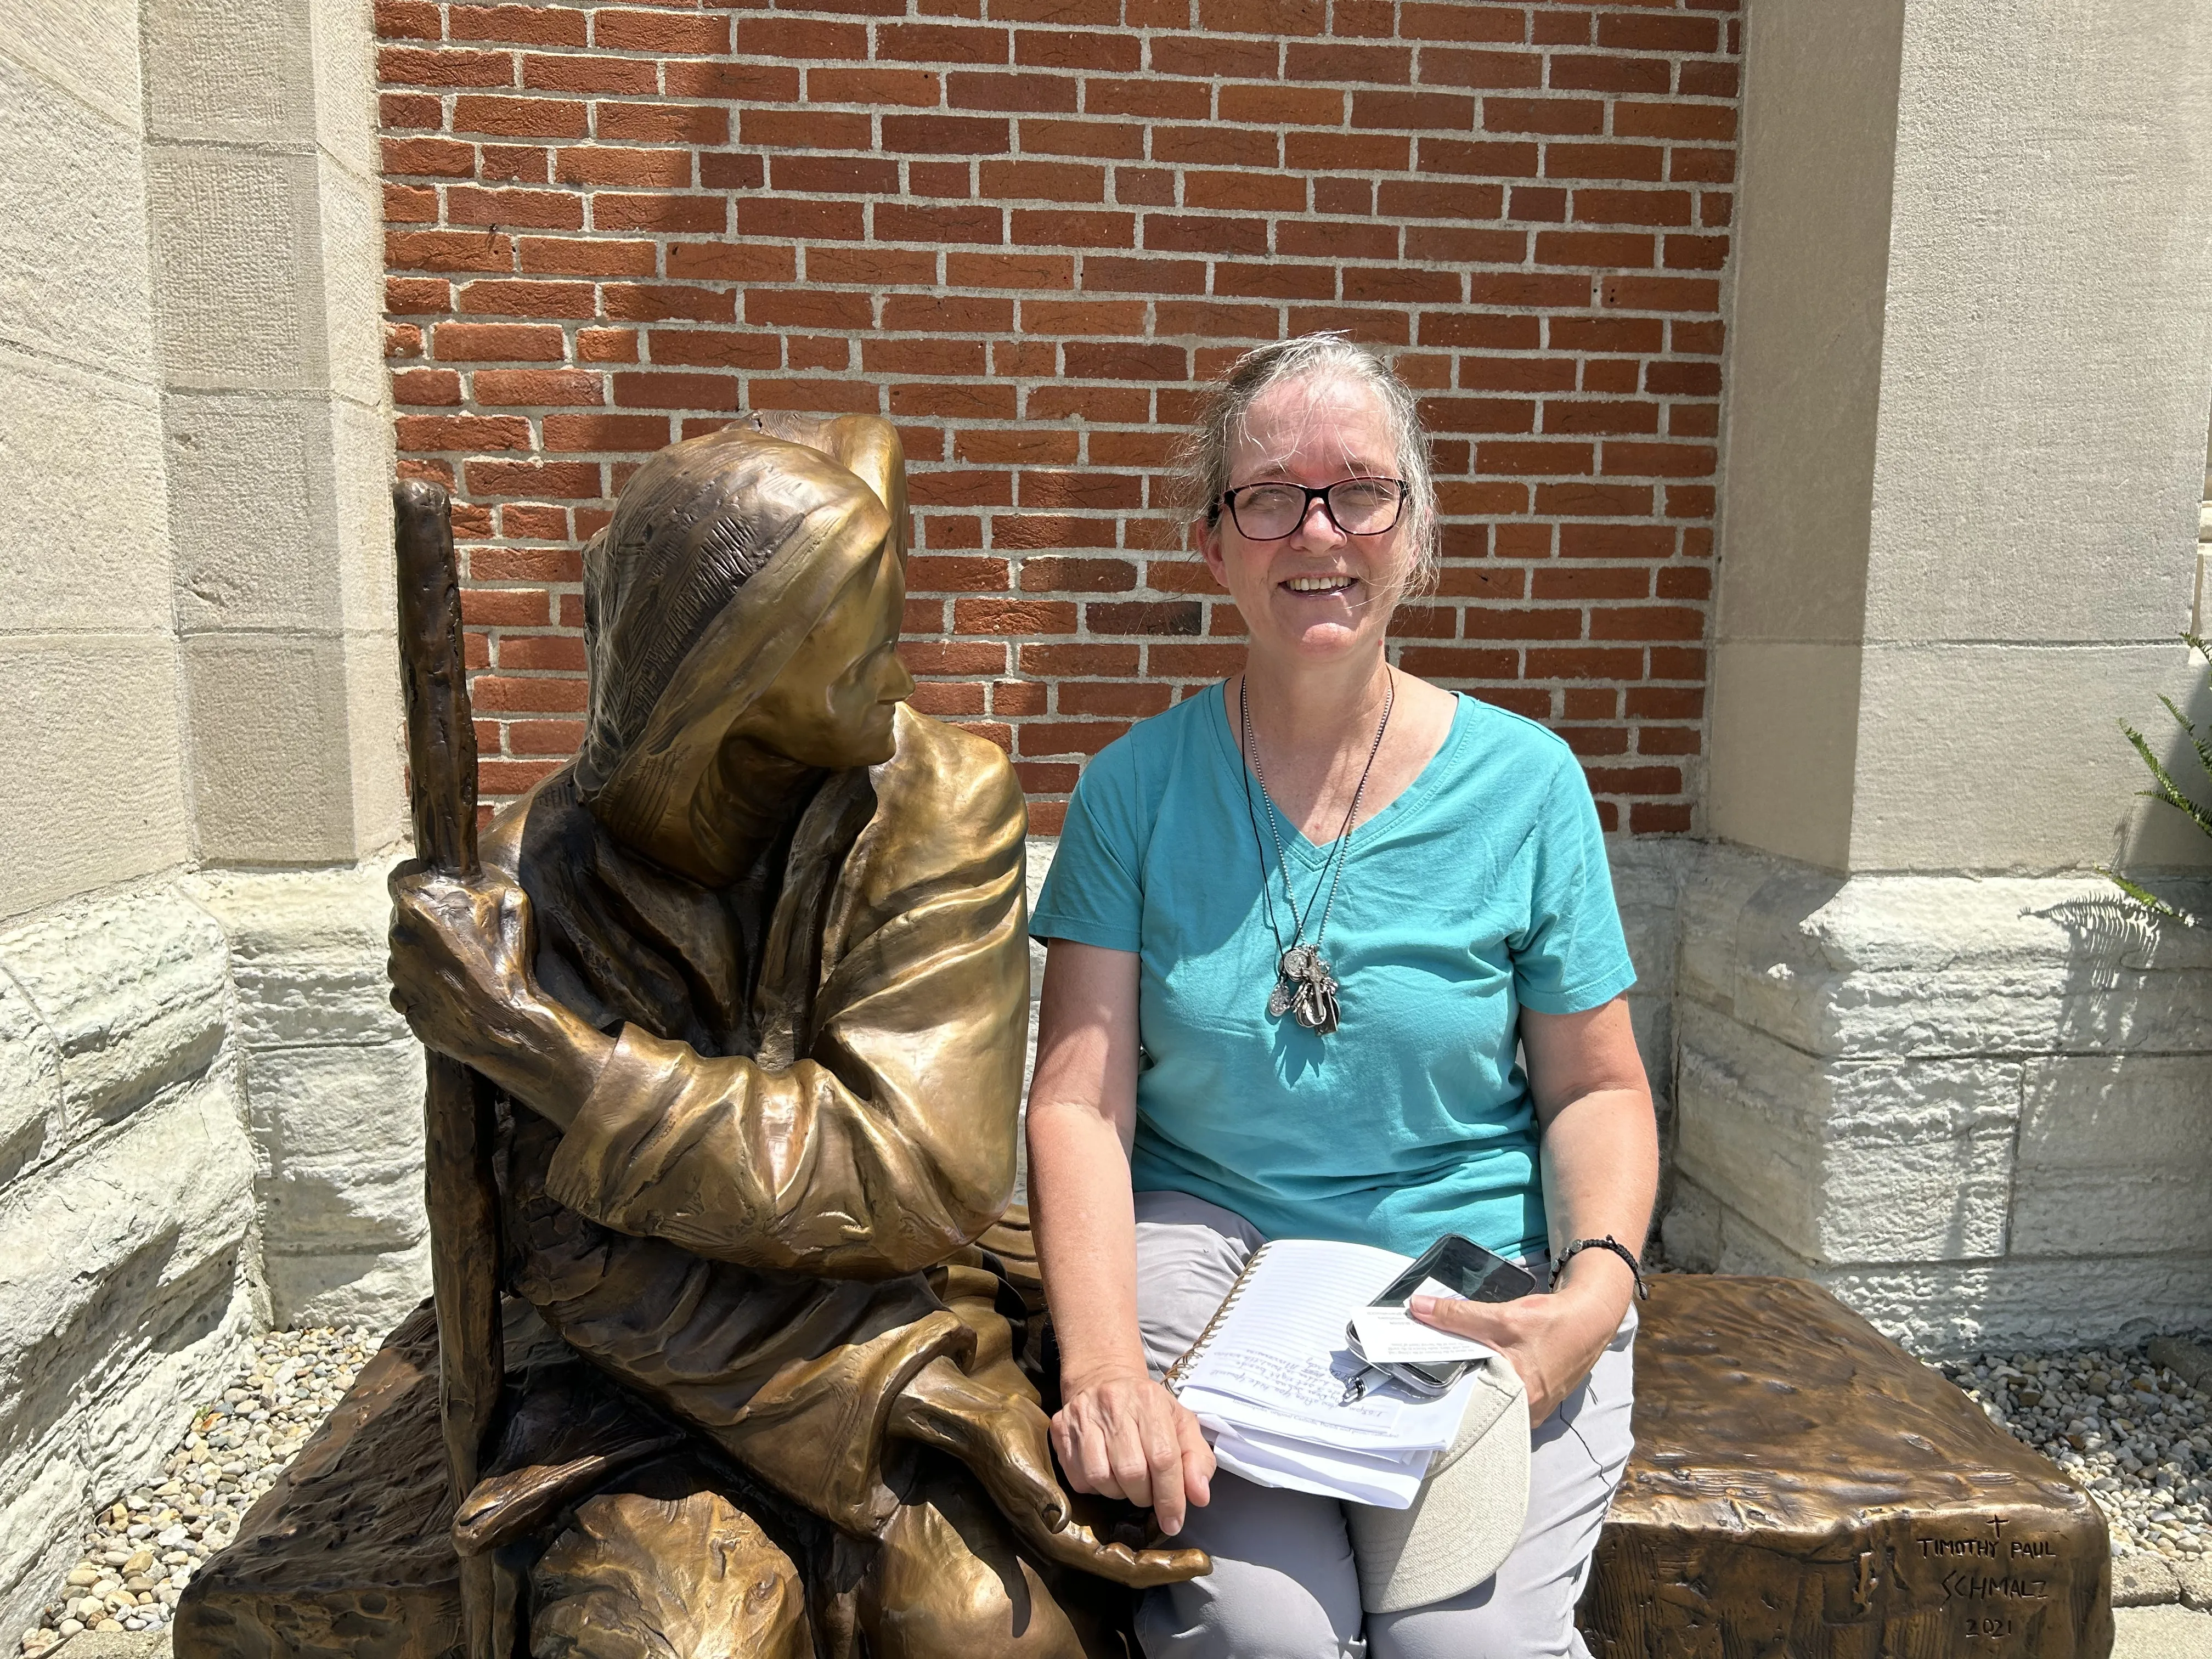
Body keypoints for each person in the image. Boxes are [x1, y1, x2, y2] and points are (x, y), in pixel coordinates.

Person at [385, 414, 1203, 1659]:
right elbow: (569, 1257)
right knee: (668, 1647)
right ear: (744, 676)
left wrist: (552, 1056)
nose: (902, 669)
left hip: (901, 1324)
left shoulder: (941, 802)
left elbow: (919, 1176)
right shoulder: (528, 883)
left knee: (992, 1636)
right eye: (861, 637)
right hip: (647, 1395)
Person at [1024, 335, 1660, 1659]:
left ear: (1412, 535)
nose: (1318, 530)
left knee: (1460, 1653)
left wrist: (1590, 1298)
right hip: (1212, 1276)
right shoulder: (1130, 792)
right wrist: (1101, 1372)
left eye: (1359, 490)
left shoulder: (1529, 787)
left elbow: (1597, 1086)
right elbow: (1078, 1105)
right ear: (1215, 546)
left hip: (1466, 1280)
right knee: (1262, 1641)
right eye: (1270, 495)